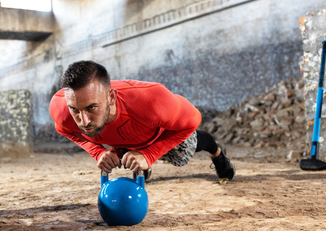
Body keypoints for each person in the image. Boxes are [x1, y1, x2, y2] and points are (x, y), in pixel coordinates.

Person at [49, 60, 235, 181]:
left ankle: (217, 153)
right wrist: (97, 152)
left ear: (111, 97)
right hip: (125, 141)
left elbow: (194, 120)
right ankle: (141, 163)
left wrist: (150, 155)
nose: (84, 121)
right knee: (120, 154)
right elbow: (63, 130)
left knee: (183, 154)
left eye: (91, 108)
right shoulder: (62, 109)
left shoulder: (154, 101)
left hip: (160, 134)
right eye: (75, 109)